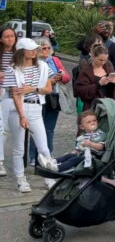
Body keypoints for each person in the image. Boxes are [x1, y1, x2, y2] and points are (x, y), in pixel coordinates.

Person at [3, 38, 56, 192]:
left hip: (36, 107)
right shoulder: (12, 69)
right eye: (31, 49)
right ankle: (20, 179)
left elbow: (48, 89)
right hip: (17, 109)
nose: (34, 51)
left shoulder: (43, 66)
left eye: (35, 49)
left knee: (43, 147)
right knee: (19, 147)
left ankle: (49, 178)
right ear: (22, 51)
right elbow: (15, 94)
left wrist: (32, 89)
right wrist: (22, 116)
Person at [29, 37, 70, 166]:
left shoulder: (55, 60)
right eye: (43, 48)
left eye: (48, 48)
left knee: (49, 129)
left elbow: (67, 78)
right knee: (36, 128)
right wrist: (52, 80)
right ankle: (33, 156)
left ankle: (48, 154)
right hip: (39, 97)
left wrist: (60, 76)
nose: (46, 50)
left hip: (53, 97)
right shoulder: (33, 62)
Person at [40, 110, 106, 172]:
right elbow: (77, 149)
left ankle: (58, 168)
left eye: (94, 120)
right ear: (82, 127)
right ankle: (52, 162)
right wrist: (71, 153)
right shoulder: (83, 136)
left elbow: (102, 147)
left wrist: (92, 144)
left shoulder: (100, 134)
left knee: (73, 160)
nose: (92, 123)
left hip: (92, 158)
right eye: (89, 122)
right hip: (82, 155)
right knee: (68, 156)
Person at [74, 45, 115, 111]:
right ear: (94, 57)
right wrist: (99, 84)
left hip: (107, 109)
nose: (103, 62)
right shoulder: (86, 72)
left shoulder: (109, 69)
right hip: (91, 108)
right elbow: (80, 91)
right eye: (100, 60)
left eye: (105, 60)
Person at [0, 25, 16, 176]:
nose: (10, 39)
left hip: (16, 93)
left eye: (12, 36)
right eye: (7, 36)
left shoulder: (19, 54)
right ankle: (0, 161)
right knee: (2, 128)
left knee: (16, 129)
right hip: (2, 93)